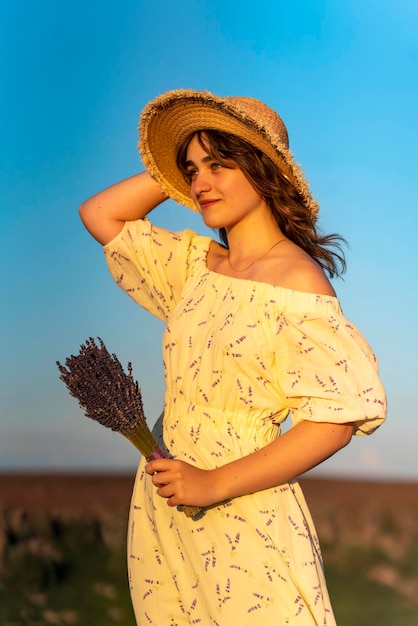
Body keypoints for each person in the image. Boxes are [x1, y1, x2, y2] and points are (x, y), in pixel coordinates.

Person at [79, 89, 386, 625]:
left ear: (262, 169)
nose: (200, 182)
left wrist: (213, 482)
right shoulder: (196, 267)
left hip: (241, 502)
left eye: (220, 164)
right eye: (192, 168)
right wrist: (177, 164)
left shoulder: (297, 283)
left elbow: (333, 422)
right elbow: (101, 214)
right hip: (167, 495)